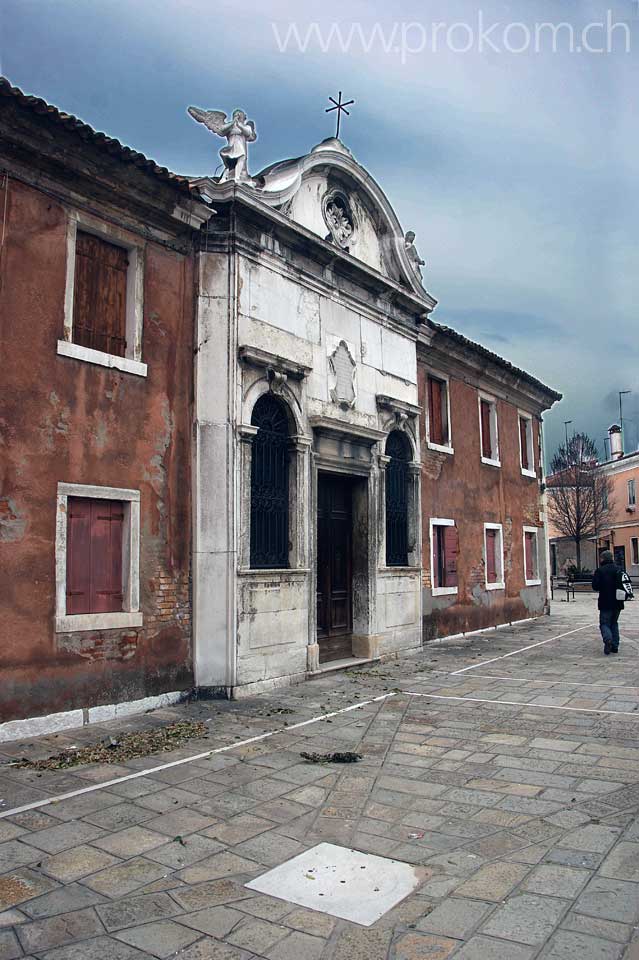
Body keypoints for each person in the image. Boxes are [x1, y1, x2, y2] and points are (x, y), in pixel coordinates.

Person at [592, 550, 624, 655]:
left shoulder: (600, 570)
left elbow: (595, 586)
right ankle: (615, 645)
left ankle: (608, 640)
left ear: (603, 559)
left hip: (605, 602)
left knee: (604, 623)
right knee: (614, 623)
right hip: (618, 601)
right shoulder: (619, 569)